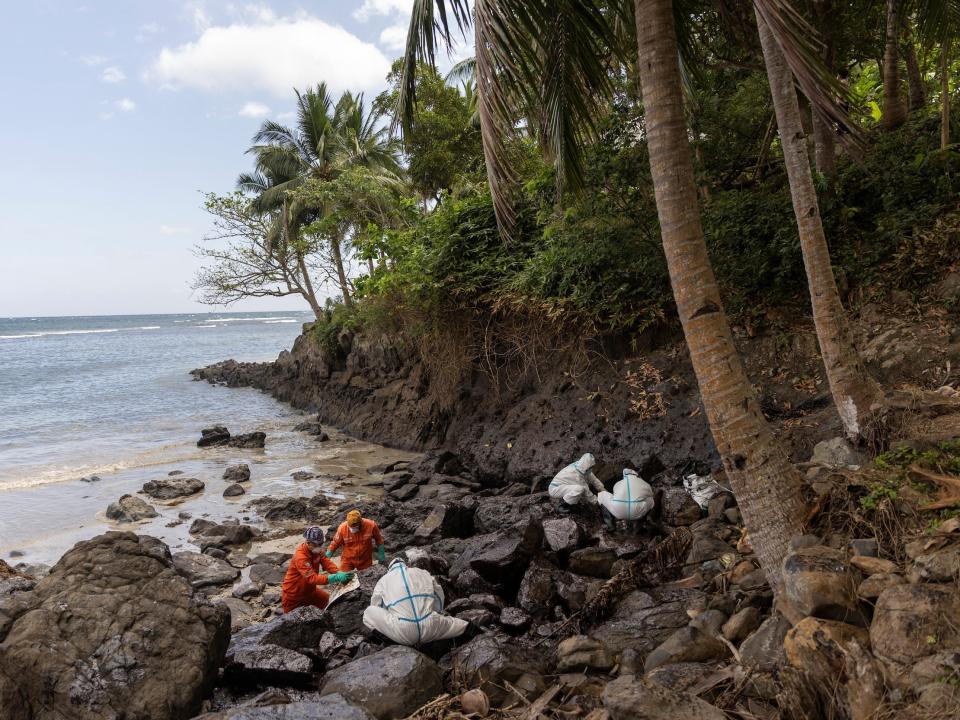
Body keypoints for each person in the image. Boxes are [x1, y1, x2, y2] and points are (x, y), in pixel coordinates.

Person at [362, 558, 468, 646]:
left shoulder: (383, 580)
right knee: (460, 626)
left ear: (389, 569)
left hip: (403, 632)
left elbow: (377, 606)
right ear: (406, 565)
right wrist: (436, 611)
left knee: (368, 612)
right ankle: (474, 631)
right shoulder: (422, 572)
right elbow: (439, 594)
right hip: (431, 625)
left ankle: (390, 642)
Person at [281, 526, 354, 613]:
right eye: (316, 545)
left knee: (330, 603)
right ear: (308, 543)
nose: (319, 547)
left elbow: (327, 563)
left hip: (310, 592)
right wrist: (335, 578)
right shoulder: (301, 557)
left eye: (320, 544)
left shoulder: (318, 551)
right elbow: (312, 578)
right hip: (294, 596)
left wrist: (339, 572)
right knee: (293, 623)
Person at [598, 468, 655, 532]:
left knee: (602, 495)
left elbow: (615, 495)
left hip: (619, 512)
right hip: (637, 512)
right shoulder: (643, 483)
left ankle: (610, 525)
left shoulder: (618, 483)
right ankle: (639, 524)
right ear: (636, 475)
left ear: (624, 475)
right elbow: (651, 493)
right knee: (651, 499)